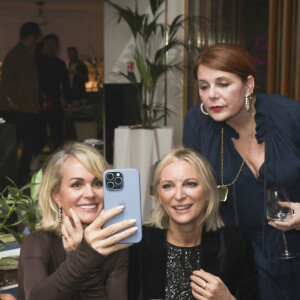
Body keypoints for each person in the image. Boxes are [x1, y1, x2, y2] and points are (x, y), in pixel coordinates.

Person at [182, 43, 300, 300]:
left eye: (223, 84)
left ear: (248, 85)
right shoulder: (197, 123)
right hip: (234, 258)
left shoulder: (291, 115)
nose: (212, 94)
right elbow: (188, 185)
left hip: (292, 252)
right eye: (204, 86)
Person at [128, 147, 259, 300]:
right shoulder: (138, 242)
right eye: (168, 186)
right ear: (159, 196)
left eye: (190, 184)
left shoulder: (234, 244)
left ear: (209, 192)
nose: (179, 195)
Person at [17, 142, 137, 299]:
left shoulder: (116, 247)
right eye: (77, 184)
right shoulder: (38, 242)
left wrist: (79, 253)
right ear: (57, 196)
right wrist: (83, 257)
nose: (90, 193)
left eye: (97, 183)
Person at [0, 22, 42, 186]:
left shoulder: (22, 53)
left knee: (28, 143)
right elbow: (6, 82)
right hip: (17, 110)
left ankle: (19, 178)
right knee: (14, 147)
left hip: (23, 109)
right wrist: (11, 101)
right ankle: (15, 180)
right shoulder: (17, 54)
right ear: (32, 37)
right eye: (37, 38)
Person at [35, 34, 71, 152]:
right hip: (39, 104)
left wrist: (69, 104)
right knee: (39, 134)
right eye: (48, 44)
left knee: (57, 135)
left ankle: (56, 162)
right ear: (44, 46)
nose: (51, 47)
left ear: (57, 46)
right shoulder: (38, 62)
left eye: (53, 44)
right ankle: (36, 159)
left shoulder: (60, 64)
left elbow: (66, 85)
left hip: (55, 104)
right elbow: (33, 83)